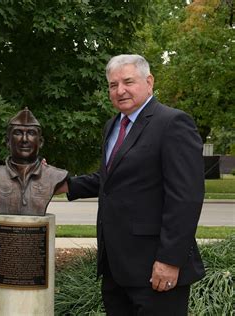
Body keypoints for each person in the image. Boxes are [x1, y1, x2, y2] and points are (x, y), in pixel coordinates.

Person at [61, 54, 205, 314]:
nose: (120, 90)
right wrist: (65, 185)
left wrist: (169, 260)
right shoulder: (112, 125)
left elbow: (186, 198)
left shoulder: (172, 123)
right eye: (113, 85)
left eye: (128, 81)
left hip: (155, 269)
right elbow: (111, 178)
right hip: (116, 269)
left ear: (149, 82)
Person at [0, 107, 68, 215]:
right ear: (8, 141)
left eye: (31, 133)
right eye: (18, 133)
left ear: (40, 142)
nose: (24, 139)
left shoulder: (55, 176)